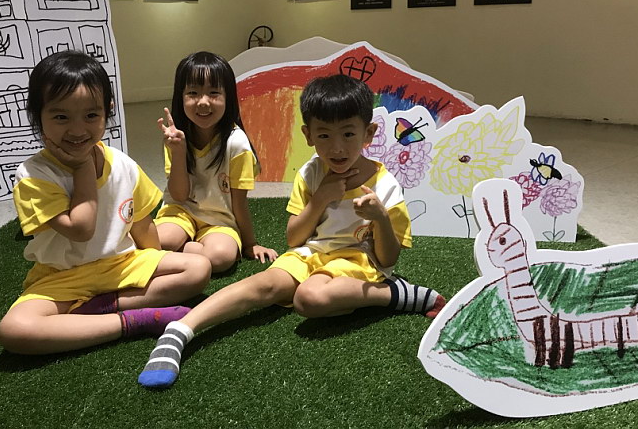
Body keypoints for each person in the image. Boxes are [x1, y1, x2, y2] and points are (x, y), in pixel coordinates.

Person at [139, 74, 445, 388]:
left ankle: (395, 294)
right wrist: (321, 198)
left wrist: (380, 218)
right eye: (324, 135)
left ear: (368, 133)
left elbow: (388, 259)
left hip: (359, 261)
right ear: (308, 135)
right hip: (311, 254)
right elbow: (294, 239)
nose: (337, 147)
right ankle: (180, 330)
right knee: (264, 284)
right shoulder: (311, 173)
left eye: (348, 133)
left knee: (309, 297)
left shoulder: (385, 186)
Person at [0, 51, 211, 355]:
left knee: (198, 269)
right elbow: (81, 228)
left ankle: (97, 309)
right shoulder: (33, 175)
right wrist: (83, 166)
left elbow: (142, 227)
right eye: (61, 117)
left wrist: (155, 262)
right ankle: (134, 319)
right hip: (63, 276)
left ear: (107, 111)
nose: (77, 130)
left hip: (121, 265)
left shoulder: (122, 164)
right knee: (14, 331)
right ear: (37, 115)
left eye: (91, 116)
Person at [153, 51, 277, 273]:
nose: (203, 102)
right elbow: (179, 195)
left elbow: (239, 204)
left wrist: (250, 244)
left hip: (219, 220)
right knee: (162, 240)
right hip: (180, 210)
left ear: (228, 97)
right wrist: (179, 152)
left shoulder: (237, 144)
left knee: (221, 257)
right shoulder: (176, 137)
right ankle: (182, 249)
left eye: (213, 93)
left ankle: (179, 252)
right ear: (180, 97)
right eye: (193, 93)